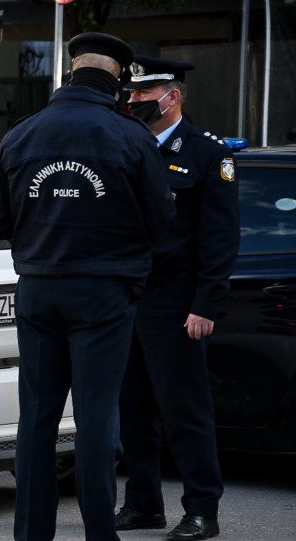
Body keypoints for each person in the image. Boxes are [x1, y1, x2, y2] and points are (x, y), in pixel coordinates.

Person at [0, 33, 175, 541]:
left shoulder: (20, 135)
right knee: (94, 419)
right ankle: (98, 535)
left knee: (37, 419)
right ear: (116, 81)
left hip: (40, 289)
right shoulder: (131, 137)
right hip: (104, 294)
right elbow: (163, 224)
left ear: (71, 73)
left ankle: (31, 535)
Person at [116, 56, 239, 541]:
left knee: (185, 409)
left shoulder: (209, 153)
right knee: (132, 409)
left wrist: (207, 303)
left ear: (173, 96)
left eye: (144, 95)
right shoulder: (127, 146)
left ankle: (202, 509)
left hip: (177, 299)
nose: (134, 102)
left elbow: (220, 238)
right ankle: (143, 503)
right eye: (132, 95)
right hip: (129, 297)